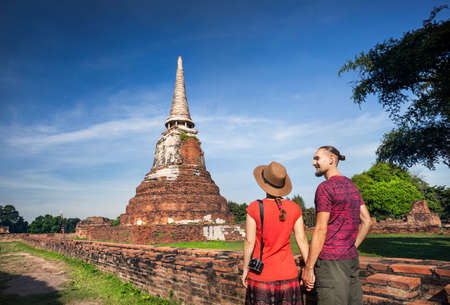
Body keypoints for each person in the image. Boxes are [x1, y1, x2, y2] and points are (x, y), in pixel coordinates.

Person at [301, 146, 372, 305]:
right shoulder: (352, 186)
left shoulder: (325, 188)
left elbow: (320, 229)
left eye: (317, 158)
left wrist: (309, 267)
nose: (314, 163)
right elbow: (367, 221)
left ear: (331, 159)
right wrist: (351, 245)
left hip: (330, 262)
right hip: (351, 259)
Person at [242, 161, 310, 305]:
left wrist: (245, 269)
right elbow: (302, 239)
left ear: (264, 183)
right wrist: (310, 269)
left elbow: (249, 241)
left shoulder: (254, 208)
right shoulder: (294, 208)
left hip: (261, 275)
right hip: (288, 274)